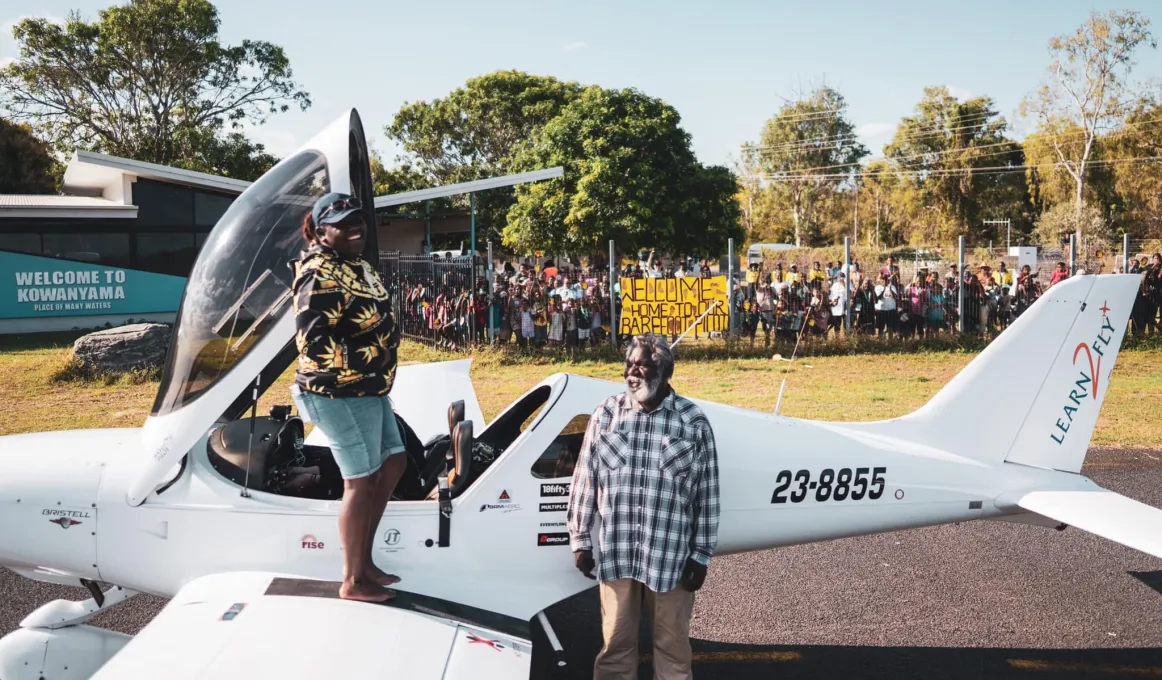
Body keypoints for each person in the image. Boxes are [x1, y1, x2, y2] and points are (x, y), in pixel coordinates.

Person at [567, 334, 720, 680]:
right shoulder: (606, 415)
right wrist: (580, 540)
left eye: (643, 365)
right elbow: (585, 479)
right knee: (616, 648)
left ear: (665, 372)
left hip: (671, 558)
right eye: (629, 364)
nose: (633, 371)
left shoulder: (692, 423)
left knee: (673, 650)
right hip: (616, 553)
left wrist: (701, 555)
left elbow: (707, 494)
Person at [291, 193, 407, 603]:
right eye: (343, 222)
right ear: (321, 230)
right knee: (359, 482)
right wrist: (375, 354)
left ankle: (365, 559)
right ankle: (353, 580)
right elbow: (313, 343)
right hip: (337, 392)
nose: (355, 227)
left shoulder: (356, 265)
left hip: (370, 388)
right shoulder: (319, 272)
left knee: (394, 461)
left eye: (358, 219)